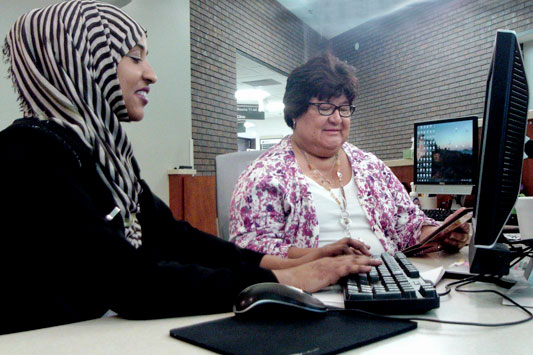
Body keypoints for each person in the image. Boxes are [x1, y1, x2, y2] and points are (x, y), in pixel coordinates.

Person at [0, 1, 381, 335]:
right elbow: (132, 284)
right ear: (80, 58)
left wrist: (288, 261)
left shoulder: (104, 158)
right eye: (134, 56)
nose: (151, 73)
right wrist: (281, 279)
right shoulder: (27, 154)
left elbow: (176, 239)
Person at [229, 53, 470, 258]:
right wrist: (325, 255)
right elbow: (251, 251)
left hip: (388, 283)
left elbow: (409, 224)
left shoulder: (371, 167)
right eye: (325, 107)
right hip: (313, 294)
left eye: (344, 108)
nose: (337, 118)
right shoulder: (265, 175)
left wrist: (439, 234)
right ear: (295, 110)